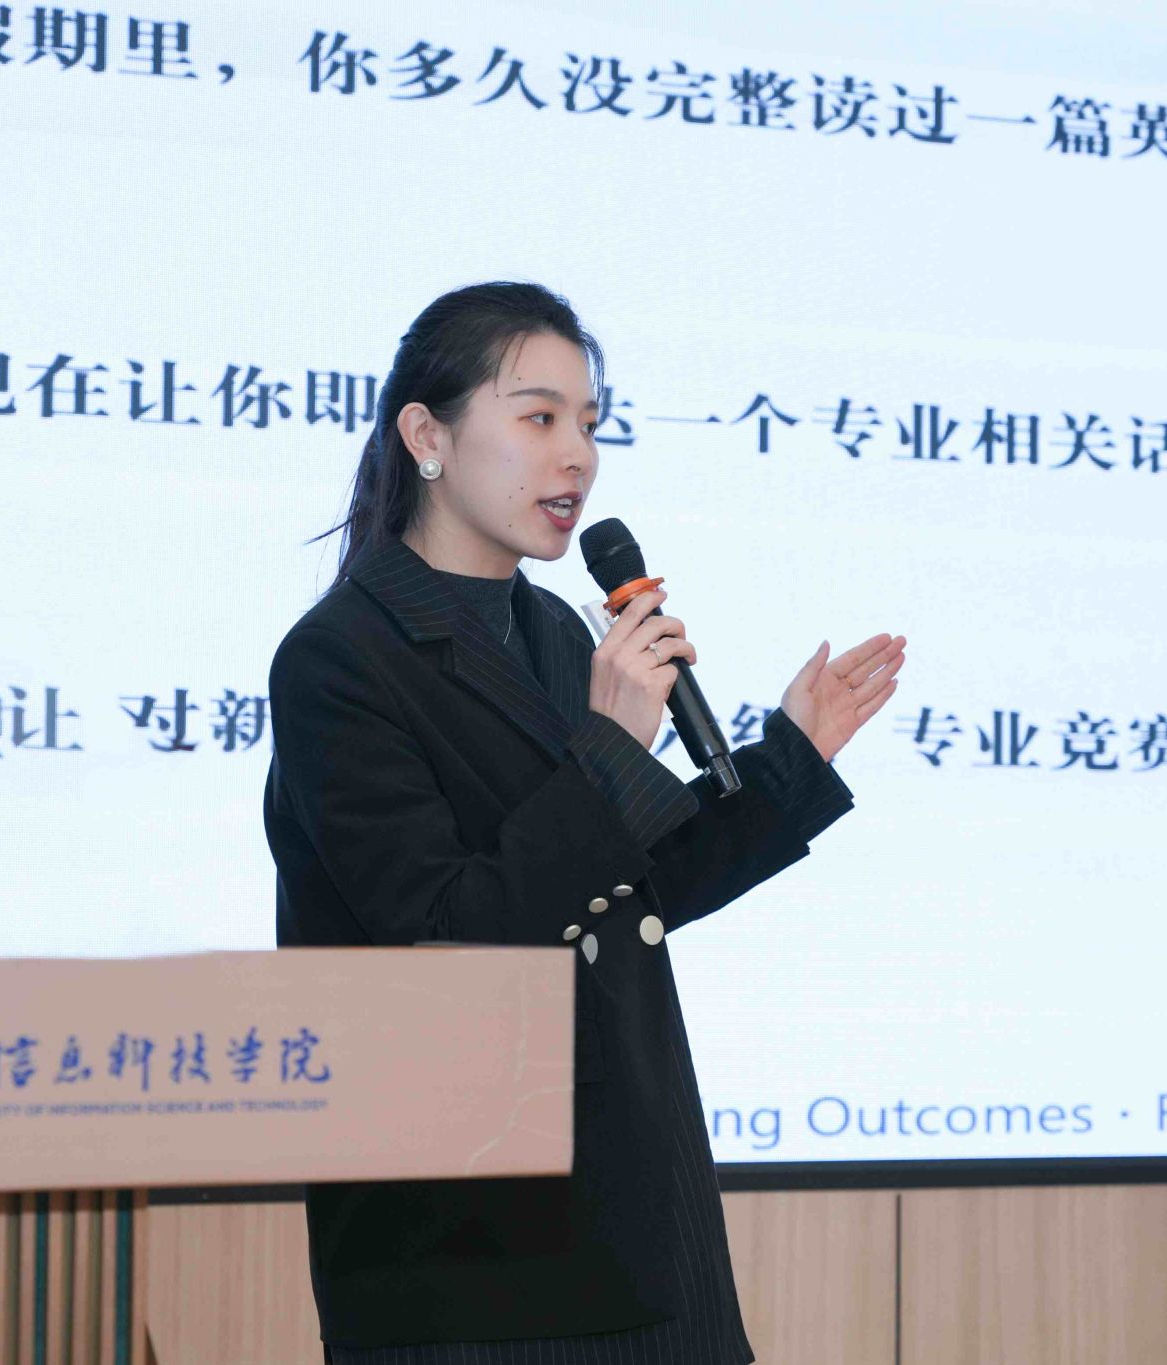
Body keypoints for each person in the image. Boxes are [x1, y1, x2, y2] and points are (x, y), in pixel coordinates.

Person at [264, 282, 905, 1362]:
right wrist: (611, 745)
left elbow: (629, 889)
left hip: (635, 1208)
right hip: (469, 1250)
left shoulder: (557, 634)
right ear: (425, 435)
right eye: (538, 417)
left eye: (590, 424)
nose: (577, 456)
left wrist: (790, 761)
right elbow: (446, 937)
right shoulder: (341, 660)